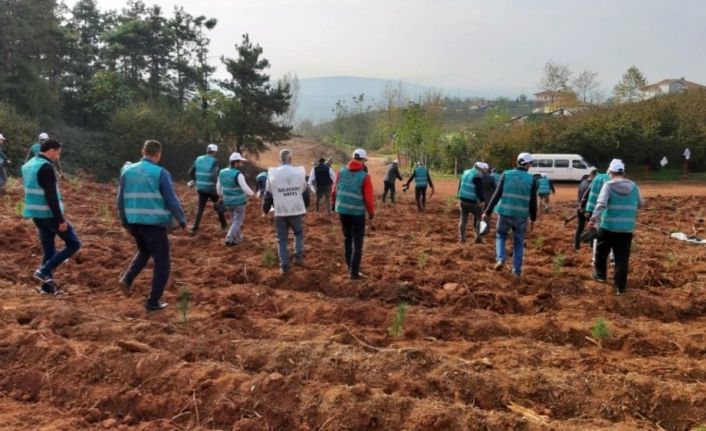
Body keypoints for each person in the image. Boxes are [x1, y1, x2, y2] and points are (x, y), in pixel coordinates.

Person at [117, 140, 187, 311]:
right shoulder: (160, 173)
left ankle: (127, 279)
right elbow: (171, 200)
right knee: (162, 263)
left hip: (134, 222)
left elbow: (119, 200)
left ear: (143, 151)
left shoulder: (127, 171)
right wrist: (182, 220)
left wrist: (125, 221)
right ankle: (153, 302)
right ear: (158, 154)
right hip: (154, 224)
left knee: (144, 250)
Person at [21, 138, 81, 295]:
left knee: (49, 250)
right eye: (58, 153)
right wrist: (60, 220)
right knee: (74, 243)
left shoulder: (28, 165)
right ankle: (44, 270)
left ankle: (46, 288)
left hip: (36, 214)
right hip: (50, 215)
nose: (58, 157)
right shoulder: (46, 167)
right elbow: (51, 196)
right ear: (52, 150)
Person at [587, 159, 643, 296]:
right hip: (626, 229)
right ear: (623, 172)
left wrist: (593, 219)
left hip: (608, 227)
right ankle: (620, 287)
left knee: (601, 252)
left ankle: (601, 275)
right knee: (622, 258)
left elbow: (601, 204)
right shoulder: (634, 186)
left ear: (611, 172)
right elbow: (641, 203)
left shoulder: (608, 185)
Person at [483, 152, 538, 277]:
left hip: (504, 213)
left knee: (501, 236)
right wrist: (533, 219)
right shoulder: (532, 180)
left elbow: (496, 195)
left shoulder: (506, 174)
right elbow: (533, 203)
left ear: (517, 162)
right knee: (518, 243)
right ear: (528, 164)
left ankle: (501, 258)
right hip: (521, 216)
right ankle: (516, 271)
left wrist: (487, 212)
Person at [332, 148, 375, 279]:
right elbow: (368, 198)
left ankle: (349, 266)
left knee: (347, 238)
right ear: (362, 160)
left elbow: (334, 190)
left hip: (343, 211)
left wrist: (333, 204)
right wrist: (371, 213)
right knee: (357, 242)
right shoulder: (364, 176)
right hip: (357, 213)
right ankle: (354, 272)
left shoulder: (341, 171)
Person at [263, 149, 308, 273]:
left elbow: (268, 195)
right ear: (290, 159)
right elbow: (305, 191)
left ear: (279, 159)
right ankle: (298, 257)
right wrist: (306, 207)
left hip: (280, 210)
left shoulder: (272, 174)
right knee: (298, 233)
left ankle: (284, 265)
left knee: (281, 239)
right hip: (295, 210)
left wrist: (265, 210)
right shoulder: (299, 173)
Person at [188, 144, 227, 235]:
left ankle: (195, 228)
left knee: (200, 208)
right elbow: (214, 175)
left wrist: (196, 180)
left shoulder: (198, 159)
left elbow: (190, 172)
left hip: (201, 188)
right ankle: (224, 226)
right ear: (215, 152)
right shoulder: (214, 161)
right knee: (218, 205)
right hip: (211, 189)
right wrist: (218, 184)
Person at [217, 152, 255, 246]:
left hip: (228, 201)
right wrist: (252, 194)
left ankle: (238, 237)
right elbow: (245, 187)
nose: (241, 164)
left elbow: (218, 187)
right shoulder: (238, 174)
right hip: (239, 202)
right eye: (240, 162)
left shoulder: (222, 172)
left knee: (234, 220)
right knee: (238, 221)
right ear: (236, 163)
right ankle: (229, 238)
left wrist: (221, 195)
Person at [457, 162, 485, 243]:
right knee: (480, 219)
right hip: (472, 201)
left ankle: (462, 239)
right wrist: (482, 200)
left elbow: (460, 185)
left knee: (463, 220)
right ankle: (478, 238)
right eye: (481, 170)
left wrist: (458, 196)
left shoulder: (465, 172)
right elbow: (478, 189)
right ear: (479, 168)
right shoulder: (477, 175)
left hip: (462, 199)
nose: (482, 172)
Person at [574, 169, 597, 250]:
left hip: (579, 207)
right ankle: (591, 245)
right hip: (587, 209)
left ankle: (576, 246)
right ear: (594, 175)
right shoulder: (592, 185)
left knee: (580, 227)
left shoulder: (582, 182)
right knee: (592, 228)